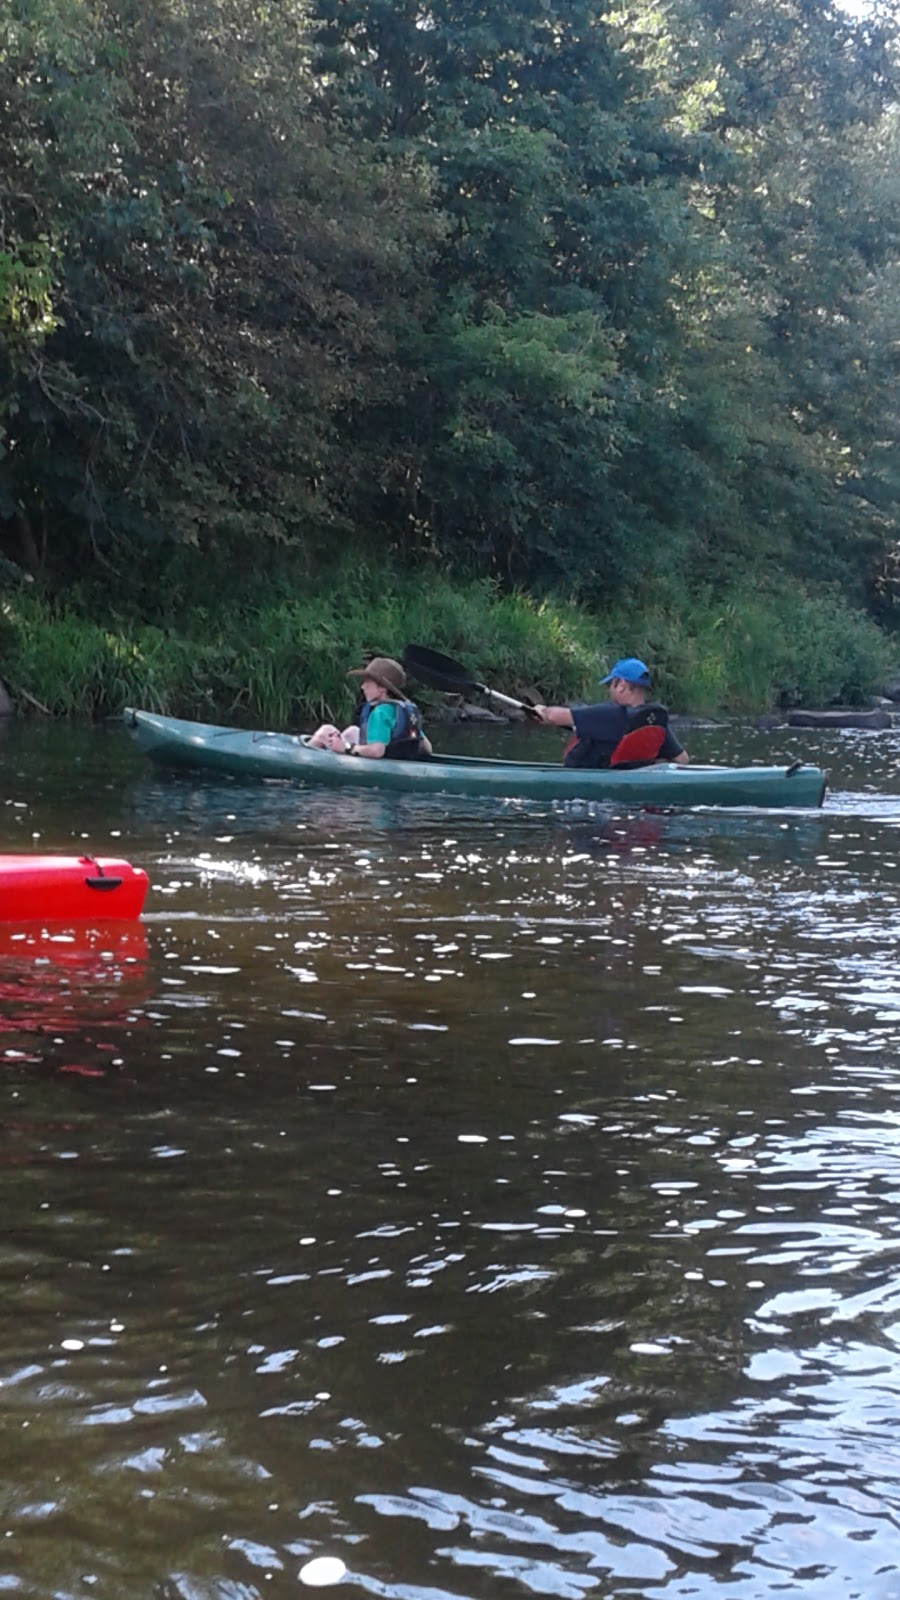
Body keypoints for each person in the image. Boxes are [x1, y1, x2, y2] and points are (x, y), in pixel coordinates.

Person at [533, 656, 689, 769]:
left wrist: (541, 710)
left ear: (621, 685)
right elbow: (682, 760)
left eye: (611, 684)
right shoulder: (653, 722)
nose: (609, 690)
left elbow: (553, 716)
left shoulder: (609, 713)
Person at [307, 656, 431, 760]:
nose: (362, 687)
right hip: (397, 759)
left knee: (326, 730)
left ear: (382, 688)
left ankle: (305, 759)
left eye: (367, 682)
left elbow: (377, 751)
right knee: (353, 731)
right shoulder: (405, 714)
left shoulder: (380, 712)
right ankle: (331, 753)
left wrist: (347, 747)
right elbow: (427, 748)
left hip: (381, 763)